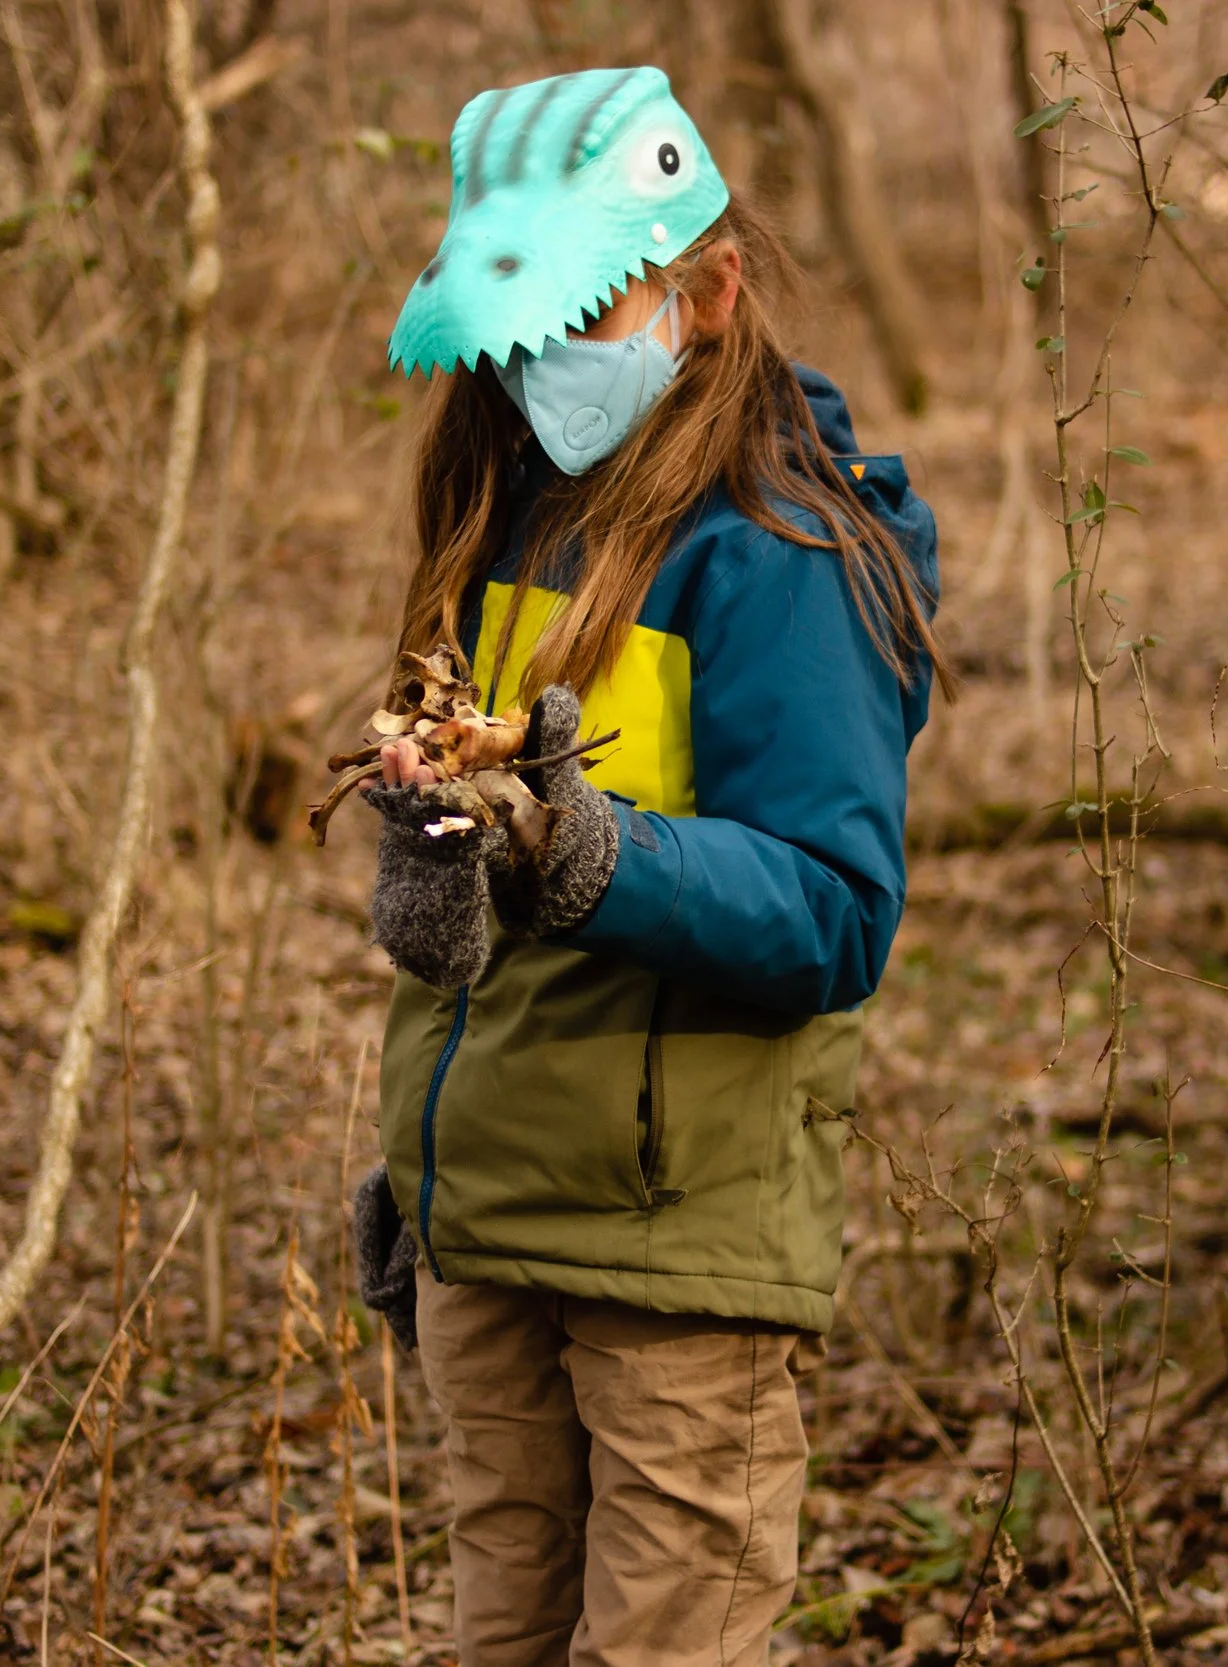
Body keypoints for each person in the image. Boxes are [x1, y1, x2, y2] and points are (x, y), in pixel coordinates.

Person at [348, 64, 945, 1667]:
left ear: (710, 288)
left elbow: (833, 909)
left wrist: (591, 850)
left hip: (675, 1265)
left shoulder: (786, 555)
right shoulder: (510, 512)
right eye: (518, 322)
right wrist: (433, 1145)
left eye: (588, 311)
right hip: (493, 1247)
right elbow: (490, 896)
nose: (549, 364)